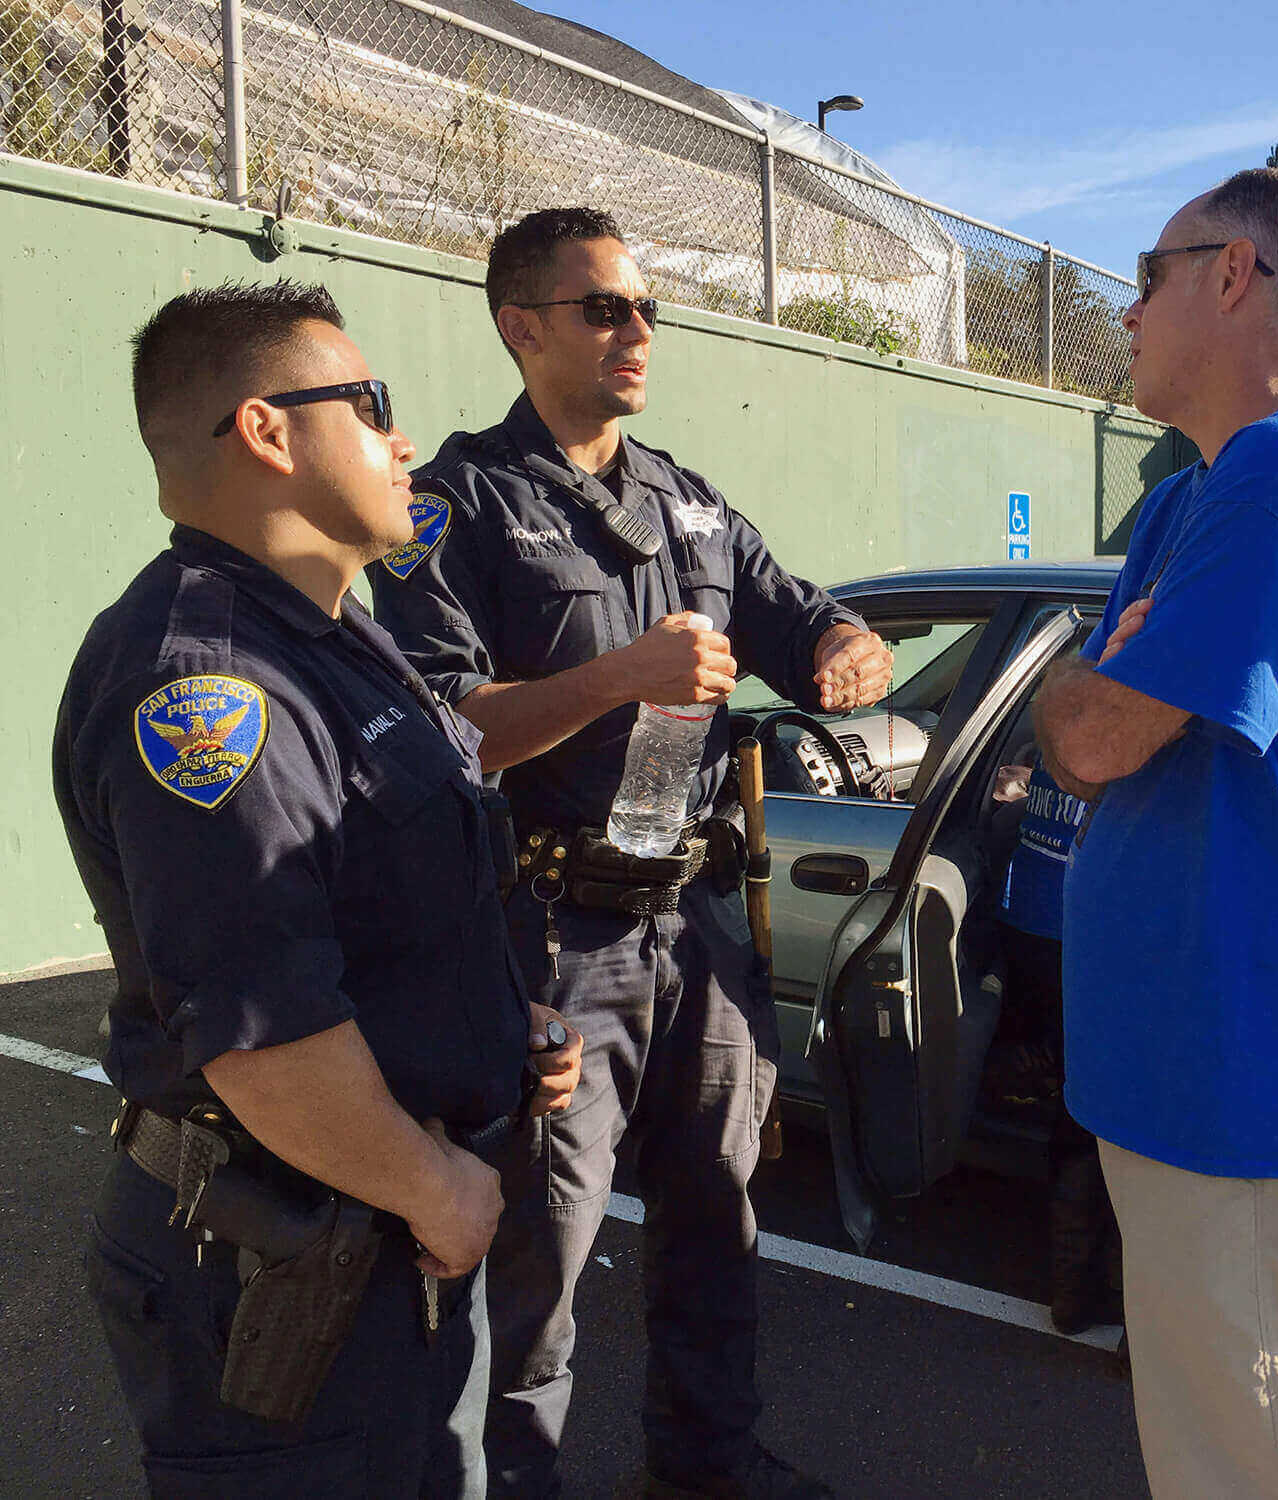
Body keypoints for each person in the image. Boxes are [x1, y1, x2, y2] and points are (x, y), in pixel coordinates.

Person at [366, 207, 893, 1500]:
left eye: (647, 309)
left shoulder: (692, 501)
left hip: (696, 927)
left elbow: (813, 620)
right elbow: (446, 738)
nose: (637, 330)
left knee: (720, 1234)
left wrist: (842, 656)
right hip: (551, 939)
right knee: (537, 1268)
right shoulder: (455, 506)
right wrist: (621, 677)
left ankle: (705, 1472)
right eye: (604, 307)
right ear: (522, 326)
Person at [54, 281, 582, 1497]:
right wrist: (436, 1186)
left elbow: (393, 903)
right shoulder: (208, 685)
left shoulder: (335, 637)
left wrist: (506, 1034)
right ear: (267, 430)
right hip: (292, 1249)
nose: (404, 442)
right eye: (371, 404)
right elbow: (263, 1031)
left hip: (376, 1218)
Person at [1034, 167, 1278, 1499]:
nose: (1128, 311)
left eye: (1149, 274)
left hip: (1237, 1083)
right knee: (1247, 1444)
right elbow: (1101, 701)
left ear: (1234, 273)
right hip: (1202, 1073)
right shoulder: (1209, 490)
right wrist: (1096, 678)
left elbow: (1086, 738)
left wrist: (1079, 683)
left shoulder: (1277, 483)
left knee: (1258, 1467)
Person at [987, 757, 1121, 1334]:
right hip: (1093, 927)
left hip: (1036, 912)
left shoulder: (1070, 682)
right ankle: (1087, 1293)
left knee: (1078, 1109)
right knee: (1104, 1123)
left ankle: (1035, 1065)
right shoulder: (1137, 691)